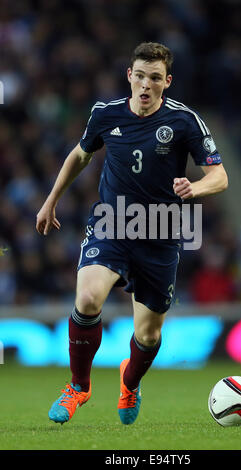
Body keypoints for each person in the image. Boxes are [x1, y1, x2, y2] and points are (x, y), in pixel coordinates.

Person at [36, 42, 228, 425]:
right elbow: (80, 155)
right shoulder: (105, 114)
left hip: (160, 232)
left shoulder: (185, 121)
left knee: (149, 336)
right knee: (88, 298)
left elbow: (220, 176)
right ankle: (78, 386)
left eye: (155, 78)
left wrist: (196, 188)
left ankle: (130, 381)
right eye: (139, 75)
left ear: (167, 82)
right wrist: (51, 199)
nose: (145, 85)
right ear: (129, 75)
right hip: (112, 222)